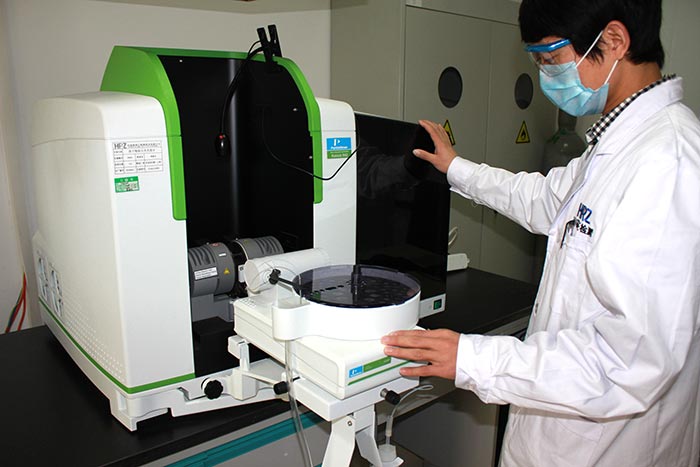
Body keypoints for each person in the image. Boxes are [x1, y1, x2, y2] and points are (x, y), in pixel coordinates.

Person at [381, 0, 700, 465]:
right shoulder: (620, 145)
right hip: (563, 431)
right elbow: (546, 200)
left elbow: (629, 361)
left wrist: (474, 359)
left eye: (551, 58)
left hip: (609, 448)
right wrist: (456, 168)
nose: (547, 76)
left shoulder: (667, 163)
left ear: (613, 40)